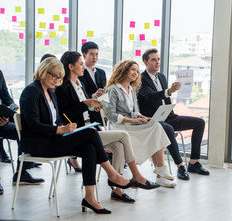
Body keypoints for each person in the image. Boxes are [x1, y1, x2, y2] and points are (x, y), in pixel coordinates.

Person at [20, 57, 137, 214]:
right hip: (39, 145)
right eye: (53, 76)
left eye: (59, 78)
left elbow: (57, 119)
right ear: (43, 71)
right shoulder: (31, 91)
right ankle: (112, 174)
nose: (56, 81)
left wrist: (66, 127)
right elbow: (32, 125)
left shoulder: (50, 92)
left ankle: (90, 198)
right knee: (90, 132)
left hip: (53, 140)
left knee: (89, 147)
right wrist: (59, 130)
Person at [56, 51, 160, 201]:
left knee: (118, 145)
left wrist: (93, 106)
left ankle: (116, 189)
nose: (83, 66)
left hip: (90, 127)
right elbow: (65, 114)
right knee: (123, 136)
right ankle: (135, 175)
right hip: (77, 131)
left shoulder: (81, 84)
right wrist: (85, 104)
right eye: (80, 63)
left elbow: (86, 110)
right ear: (71, 66)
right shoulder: (63, 88)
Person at [138, 48, 210, 181]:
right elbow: (151, 96)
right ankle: (180, 166)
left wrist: (170, 109)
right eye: (153, 60)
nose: (157, 62)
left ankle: (194, 162)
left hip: (168, 116)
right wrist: (169, 90)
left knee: (199, 123)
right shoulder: (141, 79)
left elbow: (166, 100)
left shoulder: (162, 77)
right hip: (153, 120)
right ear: (145, 62)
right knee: (168, 129)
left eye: (158, 59)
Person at [105, 60, 176, 188]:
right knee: (156, 128)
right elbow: (111, 115)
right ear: (124, 70)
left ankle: (160, 167)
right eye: (133, 70)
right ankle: (160, 168)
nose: (136, 73)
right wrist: (133, 120)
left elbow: (134, 112)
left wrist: (144, 117)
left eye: (137, 71)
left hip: (130, 124)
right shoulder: (113, 89)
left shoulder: (131, 90)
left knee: (156, 126)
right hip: (118, 126)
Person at [0, 70, 44, 190]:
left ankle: (22, 173)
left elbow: (5, 96)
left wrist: (11, 109)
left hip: (2, 122)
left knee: (25, 131)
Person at [79, 41, 105, 124]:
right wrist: (93, 96)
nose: (95, 57)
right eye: (91, 54)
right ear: (84, 55)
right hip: (86, 113)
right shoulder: (79, 73)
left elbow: (104, 91)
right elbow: (80, 95)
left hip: (100, 111)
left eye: (96, 54)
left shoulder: (101, 72)